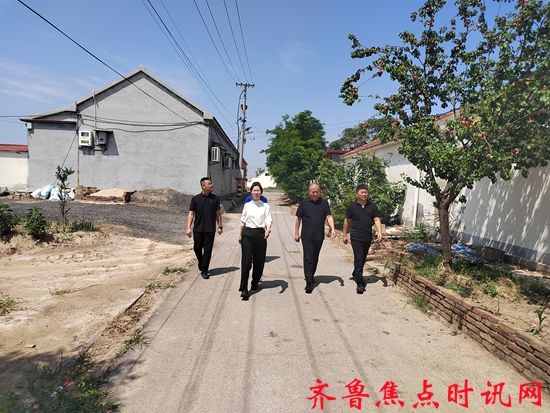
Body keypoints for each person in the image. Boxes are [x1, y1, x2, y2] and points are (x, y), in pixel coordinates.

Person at [294, 182, 336, 293]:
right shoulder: (304, 203)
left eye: (317, 192)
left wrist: (332, 228)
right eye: (313, 192)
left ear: (320, 192)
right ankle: (308, 282)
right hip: (306, 236)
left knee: (315, 257)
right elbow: (298, 219)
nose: (315, 194)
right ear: (309, 192)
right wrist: (296, 233)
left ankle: (311, 275)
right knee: (308, 257)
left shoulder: (324, 203)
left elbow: (329, 216)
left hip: (319, 235)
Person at [342, 184, 383, 294]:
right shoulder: (352, 207)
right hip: (355, 236)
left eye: (366, 192)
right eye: (362, 192)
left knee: (362, 258)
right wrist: (345, 234)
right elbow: (347, 221)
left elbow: (376, 219)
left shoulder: (372, 206)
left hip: (367, 236)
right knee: (359, 257)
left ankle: (356, 272)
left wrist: (379, 232)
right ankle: (360, 283)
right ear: (357, 194)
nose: (364, 194)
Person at [239, 182, 272, 300]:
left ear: (261, 192)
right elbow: (242, 221)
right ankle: (244, 289)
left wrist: (268, 229)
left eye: (258, 190)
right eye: (254, 190)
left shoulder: (265, 206)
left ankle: (255, 282)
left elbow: (268, 219)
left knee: (259, 262)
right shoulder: (247, 205)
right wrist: (240, 235)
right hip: (247, 234)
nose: (256, 192)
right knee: (246, 262)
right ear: (251, 192)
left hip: (260, 235)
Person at [186, 177, 223, 279]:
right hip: (198, 229)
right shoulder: (195, 199)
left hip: (210, 229)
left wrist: (220, 226)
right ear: (203, 186)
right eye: (209, 184)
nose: (211, 185)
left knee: (208, 250)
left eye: (211, 183)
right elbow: (191, 214)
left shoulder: (215, 199)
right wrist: (188, 227)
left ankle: (204, 270)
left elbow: (218, 214)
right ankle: (201, 261)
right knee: (197, 248)